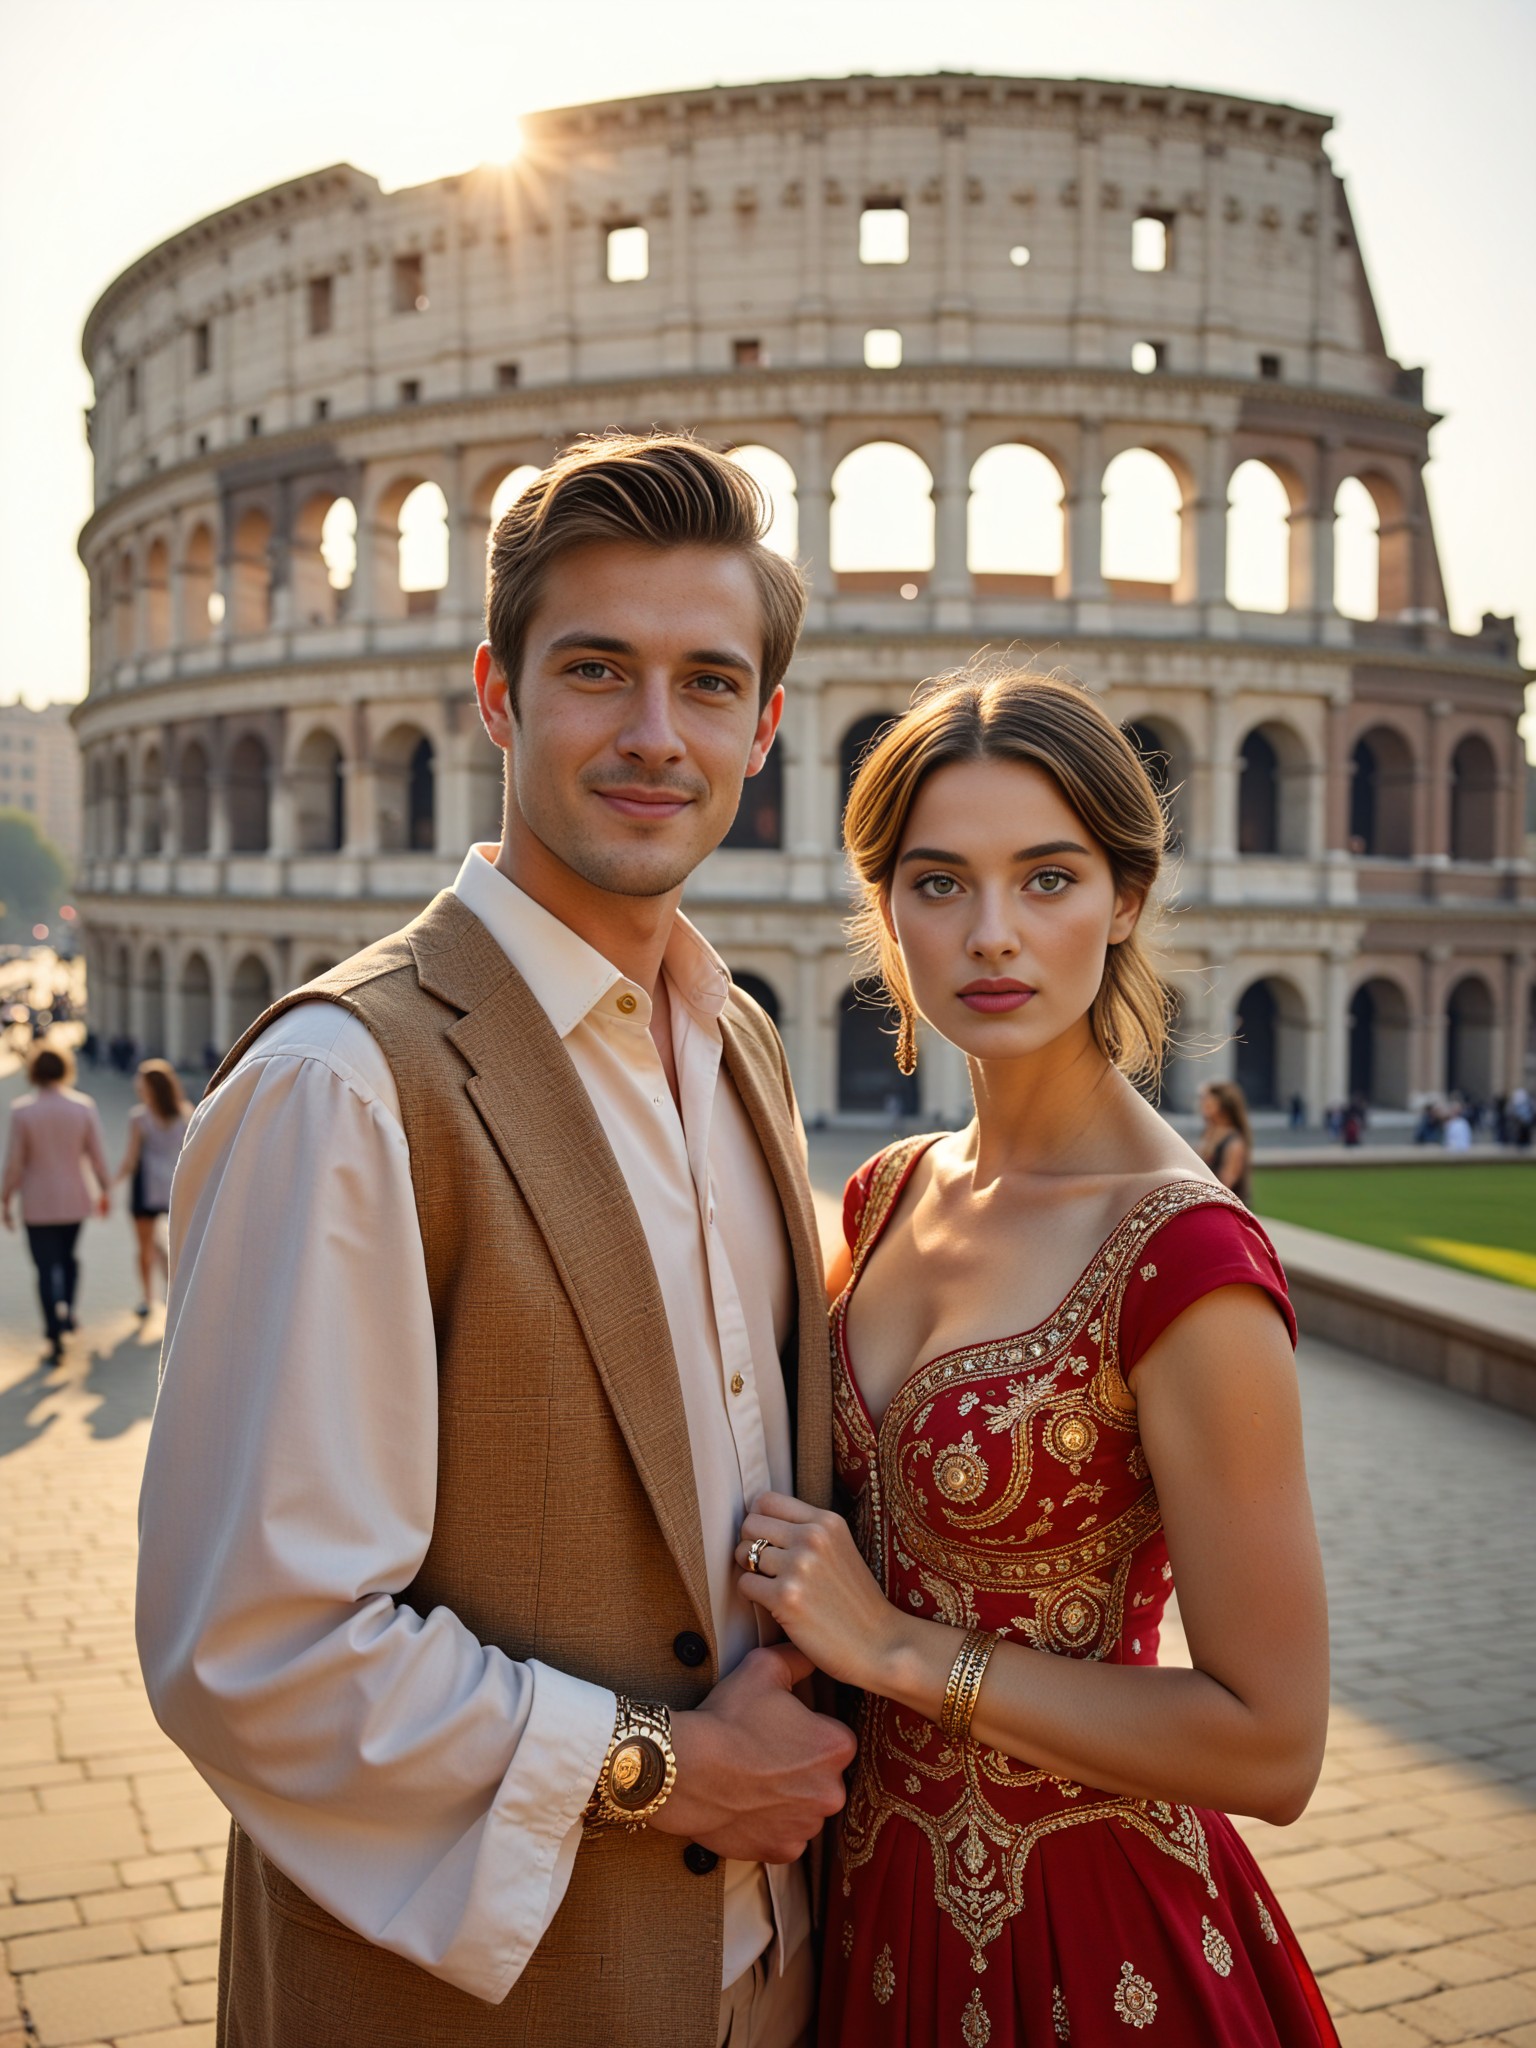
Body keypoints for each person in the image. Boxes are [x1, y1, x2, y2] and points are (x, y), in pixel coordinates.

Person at [136, 433, 853, 2048]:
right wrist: (672, 1767)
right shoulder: (345, 1081)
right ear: (497, 691)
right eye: (597, 669)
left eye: (709, 681)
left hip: (768, 1968)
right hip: (487, 1997)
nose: (656, 735)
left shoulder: (739, 1042)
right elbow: (255, 1652)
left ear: (767, 724)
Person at [732, 665, 1338, 2046]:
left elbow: (1273, 1742)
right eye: (938, 882)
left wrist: (896, 1650)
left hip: (1092, 1943)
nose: (990, 935)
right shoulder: (884, 1196)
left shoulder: (1186, 1260)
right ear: (884, 911)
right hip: (863, 1915)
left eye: (1048, 879)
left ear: (1125, 899)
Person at [1, 1044, 110, 1363]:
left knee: (44, 1269)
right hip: (74, 1198)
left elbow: (14, 1163)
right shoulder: (83, 1106)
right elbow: (98, 1156)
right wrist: (104, 1190)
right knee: (69, 1259)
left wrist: (5, 1198)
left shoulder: (23, 1110)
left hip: (37, 1203)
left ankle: (53, 1333)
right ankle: (69, 1312)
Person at [114, 1058, 192, 1316]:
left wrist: (109, 1185)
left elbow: (131, 1160)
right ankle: (177, 1295)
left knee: (145, 1247)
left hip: (145, 1190)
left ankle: (148, 1298)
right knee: (177, 1246)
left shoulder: (139, 1118)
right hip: (176, 1187)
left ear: (149, 1087)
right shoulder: (185, 1113)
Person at [1198, 1080, 1254, 1206]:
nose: (1202, 1103)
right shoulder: (1208, 1133)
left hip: (1225, 1209)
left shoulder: (1234, 1141)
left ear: (1222, 1105)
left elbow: (1226, 1183)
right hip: (1208, 1203)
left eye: (1207, 1099)